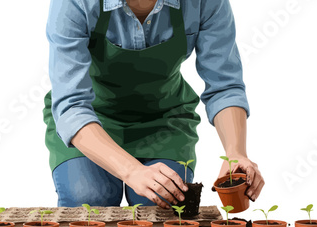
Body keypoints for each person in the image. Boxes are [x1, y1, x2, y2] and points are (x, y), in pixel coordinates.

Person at [43, 0, 264, 209]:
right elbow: (71, 105)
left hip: (164, 121)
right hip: (90, 121)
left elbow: (224, 85)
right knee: (89, 199)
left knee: (162, 201)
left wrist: (235, 152)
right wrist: (131, 171)